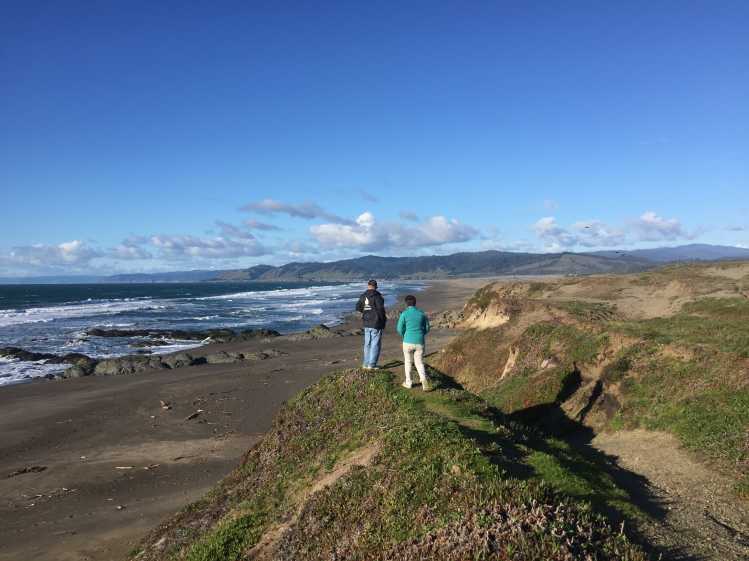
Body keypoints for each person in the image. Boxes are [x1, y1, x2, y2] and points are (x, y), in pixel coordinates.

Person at [396, 294, 431, 390]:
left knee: (408, 361)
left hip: (407, 341)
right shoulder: (421, 313)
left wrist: (404, 335)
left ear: (406, 304)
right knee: (419, 362)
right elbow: (427, 328)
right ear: (415, 303)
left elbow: (399, 328)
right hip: (420, 341)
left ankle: (409, 383)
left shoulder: (404, 314)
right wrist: (421, 334)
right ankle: (423, 380)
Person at [355, 279, 387, 369]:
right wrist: (383, 321)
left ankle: (365, 364)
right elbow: (381, 310)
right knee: (375, 344)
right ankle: (372, 364)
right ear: (376, 287)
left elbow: (357, 307)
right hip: (376, 322)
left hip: (366, 322)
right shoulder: (377, 296)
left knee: (367, 344)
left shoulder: (363, 296)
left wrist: (366, 311)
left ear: (368, 285)